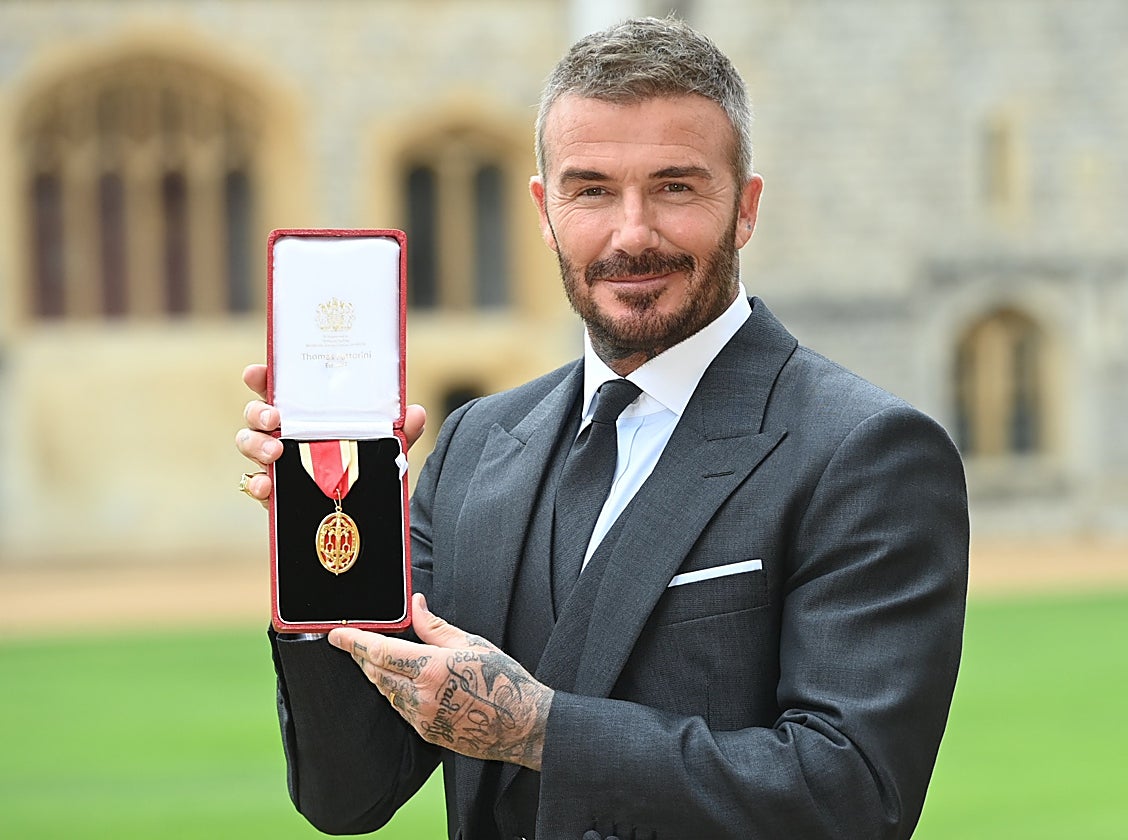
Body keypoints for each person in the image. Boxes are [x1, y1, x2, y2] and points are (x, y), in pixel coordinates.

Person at [236, 16, 968, 840]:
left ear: (746, 207)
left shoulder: (867, 452)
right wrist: (326, 531)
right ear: (545, 212)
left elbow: (853, 798)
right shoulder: (477, 444)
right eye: (592, 190)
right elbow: (351, 796)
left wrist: (540, 730)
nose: (632, 233)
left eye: (676, 186)